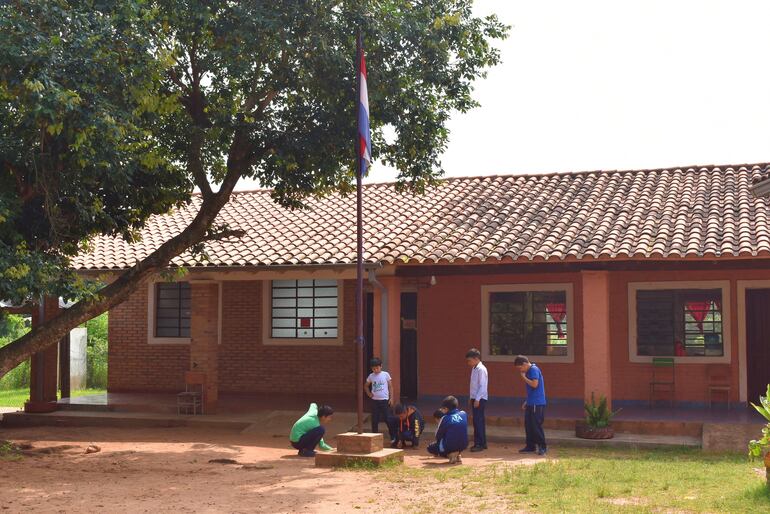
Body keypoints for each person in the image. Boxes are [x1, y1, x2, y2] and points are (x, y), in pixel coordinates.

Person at [514, 355, 547, 455]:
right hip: (531, 402)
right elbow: (532, 390)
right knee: (528, 425)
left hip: (537, 403)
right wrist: (527, 401)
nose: (520, 370)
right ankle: (530, 446)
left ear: (524, 364)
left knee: (536, 426)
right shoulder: (529, 370)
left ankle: (542, 446)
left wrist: (524, 377)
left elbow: (534, 384)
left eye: (520, 368)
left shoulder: (533, 369)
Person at [427, 396, 468, 464]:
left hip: (449, 446)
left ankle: (450, 455)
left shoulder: (444, 418)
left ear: (446, 408)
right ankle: (457, 453)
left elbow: (438, 436)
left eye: (442, 409)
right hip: (464, 445)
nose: (441, 410)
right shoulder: (463, 413)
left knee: (430, 448)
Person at [466, 348, 488, 452]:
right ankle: (481, 443)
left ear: (476, 358)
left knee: (478, 421)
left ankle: (479, 444)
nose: (468, 363)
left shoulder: (481, 369)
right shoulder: (474, 368)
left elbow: (482, 386)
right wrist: (471, 398)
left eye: (470, 360)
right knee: (477, 421)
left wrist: (477, 399)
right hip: (475, 397)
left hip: (480, 398)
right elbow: (473, 385)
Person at [365, 357, 394, 435]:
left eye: (377, 368)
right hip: (375, 400)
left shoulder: (385, 374)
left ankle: (393, 437)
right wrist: (369, 394)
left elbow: (390, 386)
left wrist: (391, 398)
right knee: (374, 419)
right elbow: (366, 386)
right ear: (371, 369)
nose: (376, 370)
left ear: (381, 366)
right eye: (374, 369)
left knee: (388, 418)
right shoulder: (371, 376)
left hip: (385, 400)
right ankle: (374, 436)